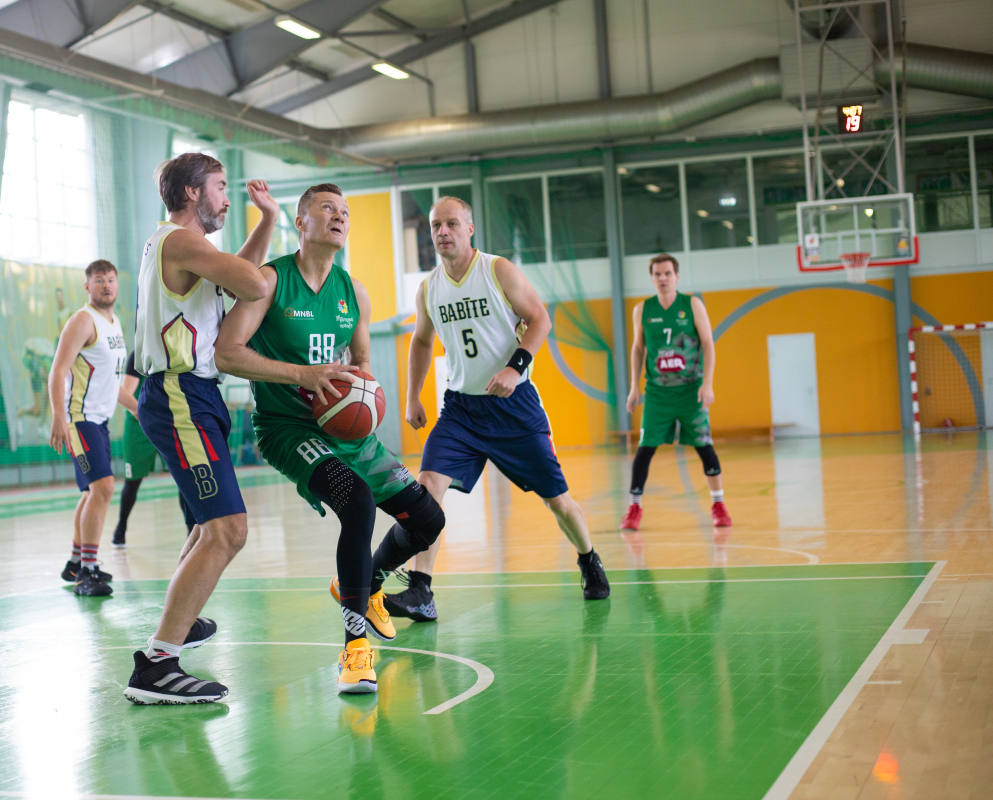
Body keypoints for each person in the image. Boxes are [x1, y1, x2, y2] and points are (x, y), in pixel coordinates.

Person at [216, 183, 446, 695]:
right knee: (358, 504)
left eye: (345, 211)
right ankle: (354, 650)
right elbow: (226, 353)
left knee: (429, 519)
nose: (339, 216)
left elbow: (362, 362)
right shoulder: (271, 281)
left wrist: (363, 386)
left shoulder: (353, 291)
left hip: (345, 430)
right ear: (301, 222)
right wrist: (302, 375)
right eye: (327, 209)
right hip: (288, 428)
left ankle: (364, 584)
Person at [393, 196, 610, 622]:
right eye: (436, 225)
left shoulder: (497, 270)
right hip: (460, 410)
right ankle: (421, 590)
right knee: (427, 488)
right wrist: (412, 395)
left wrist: (516, 367)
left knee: (558, 501)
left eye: (452, 223)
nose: (442, 232)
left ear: (469, 229)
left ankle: (588, 558)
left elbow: (540, 319)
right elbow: (421, 341)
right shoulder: (429, 288)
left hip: (514, 407)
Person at [121, 153, 276, 705]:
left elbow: (235, 278)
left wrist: (265, 224)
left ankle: (175, 630)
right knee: (228, 530)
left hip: (194, 394)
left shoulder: (186, 249)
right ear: (191, 193)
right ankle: (157, 665)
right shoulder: (179, 242)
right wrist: (271, 233)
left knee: (211, 526)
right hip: (180, 392)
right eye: (220, 186)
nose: (228, 197)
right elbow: (255, 285)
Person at [620, 253, 732, 531]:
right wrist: (634, 386)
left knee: (704, 447)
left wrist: (708, 383)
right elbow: (637, 349)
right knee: (645, 450)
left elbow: (708, 343)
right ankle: (634, 508)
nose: (662, 278)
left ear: (677, 276)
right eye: (657, 274)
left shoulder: (692, 304)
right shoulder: (642, 310)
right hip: (658, 393)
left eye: (667, 273)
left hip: (690, 390)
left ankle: (719, 505)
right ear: (652, 278)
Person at [48, 260, 134, 597]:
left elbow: (112, 383)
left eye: (111, 280)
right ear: (88, 286)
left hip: (99, 420)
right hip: (77, 419)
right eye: (99, 281)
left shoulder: (114, 324)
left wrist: (139, 410)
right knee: (103, 489)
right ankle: (88, 571)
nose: (107, 286)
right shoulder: (82, 321)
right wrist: (58, 416)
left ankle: (75, 563)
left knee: (91, 493)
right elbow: (57, 371)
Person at [112, 348, 195, 547]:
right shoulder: (138, 354)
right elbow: (124, 391)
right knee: (133, 482)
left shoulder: (174, 351)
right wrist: (142, 412)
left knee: (183, 477)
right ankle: (121, 527)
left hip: (168, 422)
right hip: (139, 424)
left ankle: (192, 532)